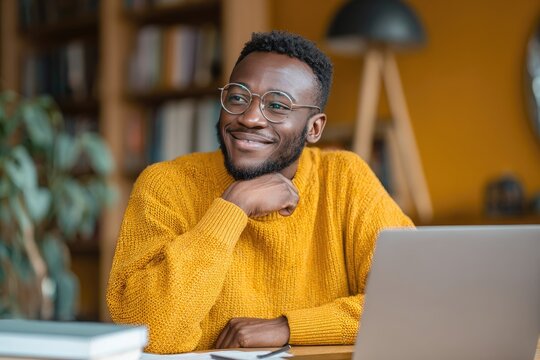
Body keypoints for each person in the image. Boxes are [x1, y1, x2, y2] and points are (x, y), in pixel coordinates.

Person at [106, 30, 413, 354]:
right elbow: (147, 333)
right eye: (238, 97)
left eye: (278, 105)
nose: (250, 117)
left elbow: (412, 301)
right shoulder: (166, 185)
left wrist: (287, 327)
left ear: (314, 128)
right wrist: (232, 208)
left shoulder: (344, 180)